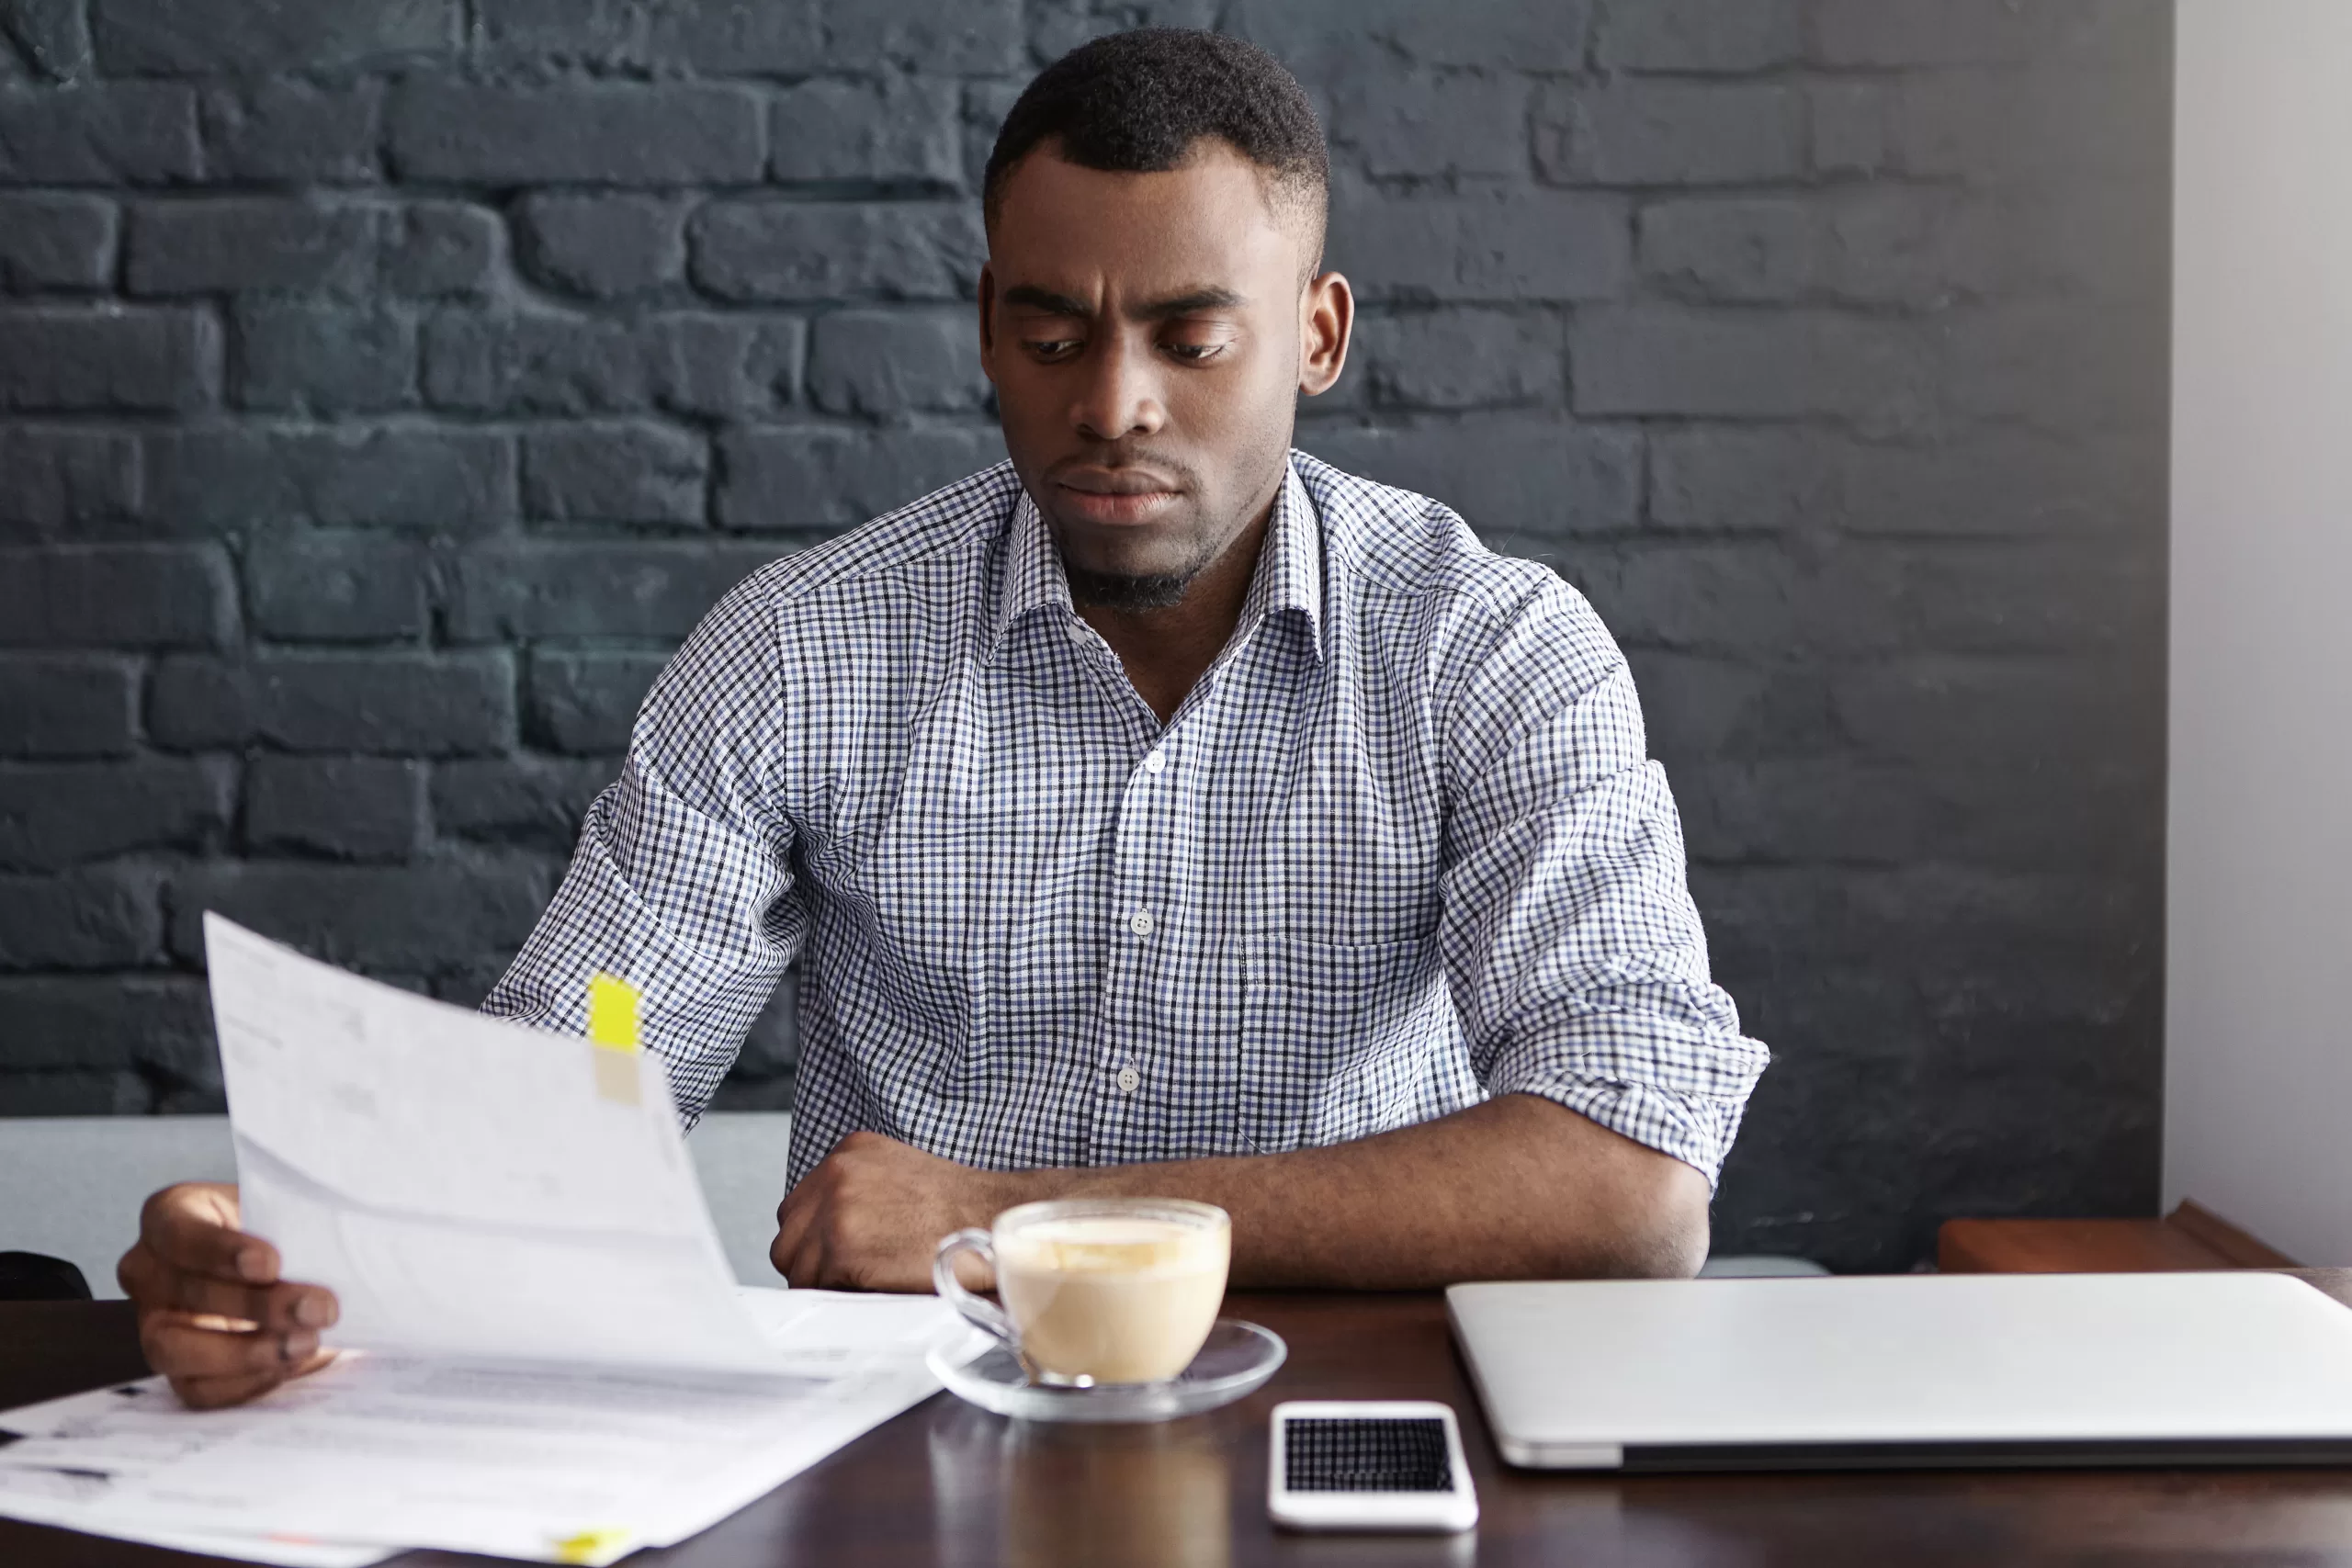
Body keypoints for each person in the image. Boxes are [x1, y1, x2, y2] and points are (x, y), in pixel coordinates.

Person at [118, 28, 1769, 1409]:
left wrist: (1017, 1218)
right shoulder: (802, 652)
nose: (1113, 403)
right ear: (989, 326)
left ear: (1316, 335)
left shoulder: (1492, 652)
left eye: (1193, 338)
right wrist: (287, 1248)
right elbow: (567, 1102)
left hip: (1327, 1418)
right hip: (892, 1440)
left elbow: (1634, 1187)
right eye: (1053, 334)